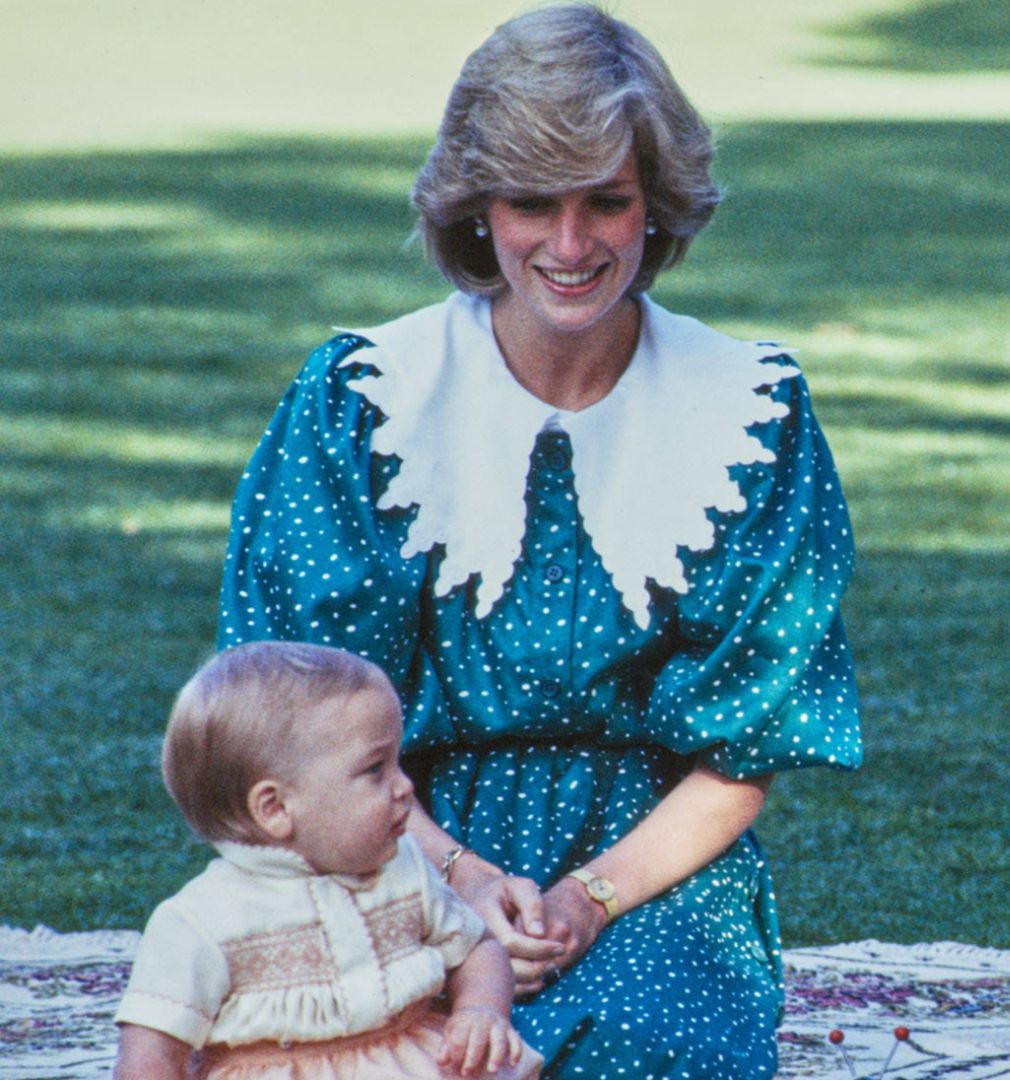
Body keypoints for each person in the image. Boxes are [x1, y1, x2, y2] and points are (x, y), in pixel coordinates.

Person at [218, 5, 862, 1077]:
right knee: (346, 1046)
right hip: (378, 840)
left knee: (643, 1043)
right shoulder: (361, 401)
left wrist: (590, 898)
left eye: (606, 201)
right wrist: (458, 879)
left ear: (657, 203)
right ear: (477, 209)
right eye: (530, 202)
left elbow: (748, 748)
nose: (570, 246)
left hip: (650, 867)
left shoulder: (752, 414)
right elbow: (291, 718)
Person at [113, 642, 537, 1080]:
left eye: (398, 763)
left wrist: (480, 1009)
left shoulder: (405, 869)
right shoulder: (200, 921)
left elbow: (477, 948)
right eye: (376, 769)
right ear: (275, 808)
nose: (405, 787)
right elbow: (149, 1056)